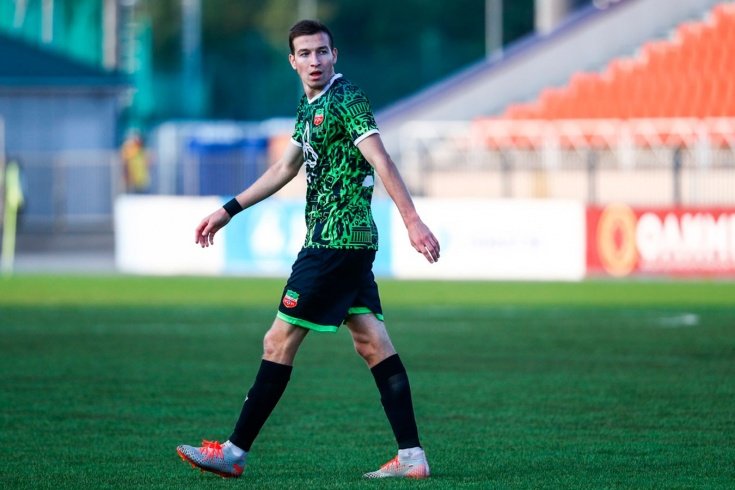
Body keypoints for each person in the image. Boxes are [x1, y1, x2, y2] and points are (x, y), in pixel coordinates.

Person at [176, 19, 440, 480]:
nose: (314, 60)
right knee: (372, 343)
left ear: (334, 55)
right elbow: (284, 169)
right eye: (305, 53)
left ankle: (233, 453)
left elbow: (380, 158)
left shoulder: (346, 98)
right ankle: (412, 457)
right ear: (292, 61)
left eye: (322, 52)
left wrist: (412, 220)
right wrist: (229, 209)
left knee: (277, 341)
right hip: (347, 245)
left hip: (333, 243)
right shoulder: (309, 105)